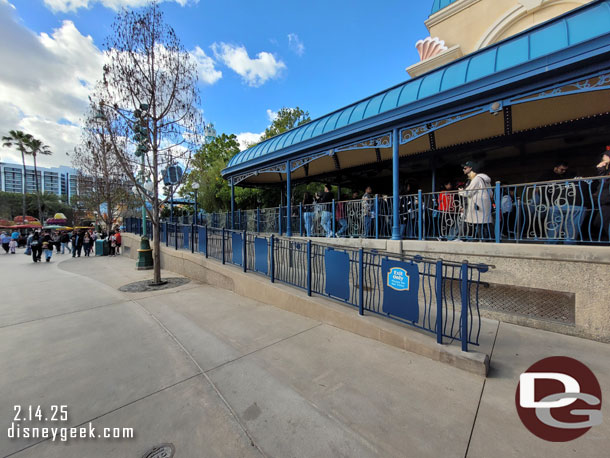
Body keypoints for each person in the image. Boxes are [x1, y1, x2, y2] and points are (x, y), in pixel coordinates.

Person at [538, 161, 584, 243]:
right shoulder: (547, 175)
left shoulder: (565, 175)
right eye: (562, 169)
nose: (564, 171)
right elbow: (538, 187)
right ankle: (550, 244)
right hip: (550, 201)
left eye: (565, 170)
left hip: (560, 203)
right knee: (554, 226)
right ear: (556, 168)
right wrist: (545, 202)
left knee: (567, 227)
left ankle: (560, 244)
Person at [458, 161, 493, 240]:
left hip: (478, 205)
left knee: (477, 222)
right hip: (485, 204)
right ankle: (492, 239)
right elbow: (491, 193)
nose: (463, 169)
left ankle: (478, 240)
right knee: (485, 222)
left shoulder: (476, 179)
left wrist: (460, 192)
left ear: (471, 168)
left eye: (465, 168)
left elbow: (468, 192)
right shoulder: (485, 180)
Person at [593, 147, 610, 241]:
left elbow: (603, 181)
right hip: (604, 201)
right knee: (598, 222)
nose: (603, 157)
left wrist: (601, 168)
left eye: (606, 155)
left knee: (601, 221)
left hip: (608, 202)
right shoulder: (606, 170)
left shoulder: (605, 170)